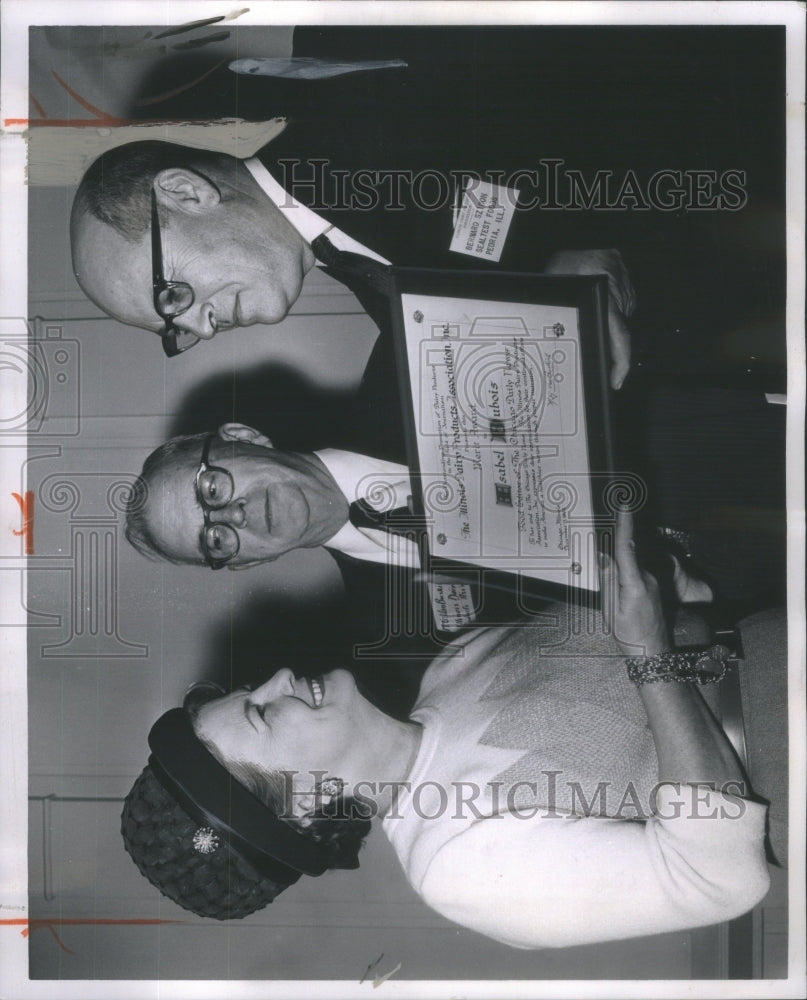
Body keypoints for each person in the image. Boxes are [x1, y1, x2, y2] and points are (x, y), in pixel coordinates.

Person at [120, 511, 773, 947]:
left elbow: (671, 629)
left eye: (251, 688)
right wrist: (649, 652)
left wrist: (671, 589)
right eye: (263, 712)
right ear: (303, 809)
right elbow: (717, 880)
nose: (279, 676)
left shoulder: (449, 668)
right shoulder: (455, 865)